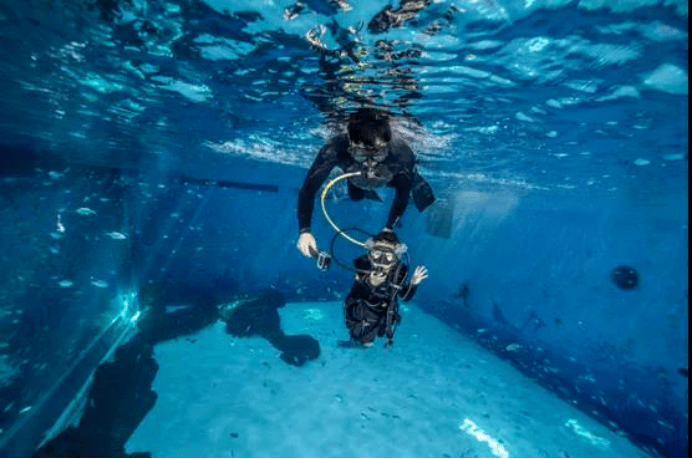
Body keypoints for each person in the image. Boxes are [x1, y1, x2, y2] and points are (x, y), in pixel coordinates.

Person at [297, 108, 435, 258]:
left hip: (392, 177)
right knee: (356, 196)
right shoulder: (334, 149)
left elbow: (402, 193)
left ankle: (415, 178)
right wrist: (305, 231)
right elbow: (308, 189)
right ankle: (361, 184)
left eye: (378, 154)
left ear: (387, 144)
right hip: (355, 176)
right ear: (350, 143)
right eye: (362, 154)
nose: (370, 163)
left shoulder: (402, 153)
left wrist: (389, 228)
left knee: (408, 181)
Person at [342, 230, 428, 347]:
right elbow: (354, 295)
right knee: (359, 335)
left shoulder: (398, 272)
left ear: (396, 258)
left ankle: (362, 340)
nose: (381, 262)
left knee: (368, 339)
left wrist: (413, 283)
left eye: (388, 256)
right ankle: (356, 339)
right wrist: (370, 283)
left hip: (381, 315)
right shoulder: (364, 265)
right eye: (377, 254)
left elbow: (405, 297)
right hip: (361, 312)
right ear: (370, 254)